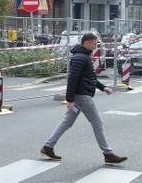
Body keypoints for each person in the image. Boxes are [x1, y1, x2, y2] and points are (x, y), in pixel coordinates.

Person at [41, 32, 127, 164]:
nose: (96, 46)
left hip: (80, 95)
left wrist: (103, 87)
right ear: (86, 42)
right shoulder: (81, 58)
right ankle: (108, 154)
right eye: (94, 43)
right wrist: (70, 100)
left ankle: (48, 147)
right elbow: (72, 79)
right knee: (97, 123)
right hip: (82, 96)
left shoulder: (84, 56)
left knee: (67, 122)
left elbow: (89, 77)